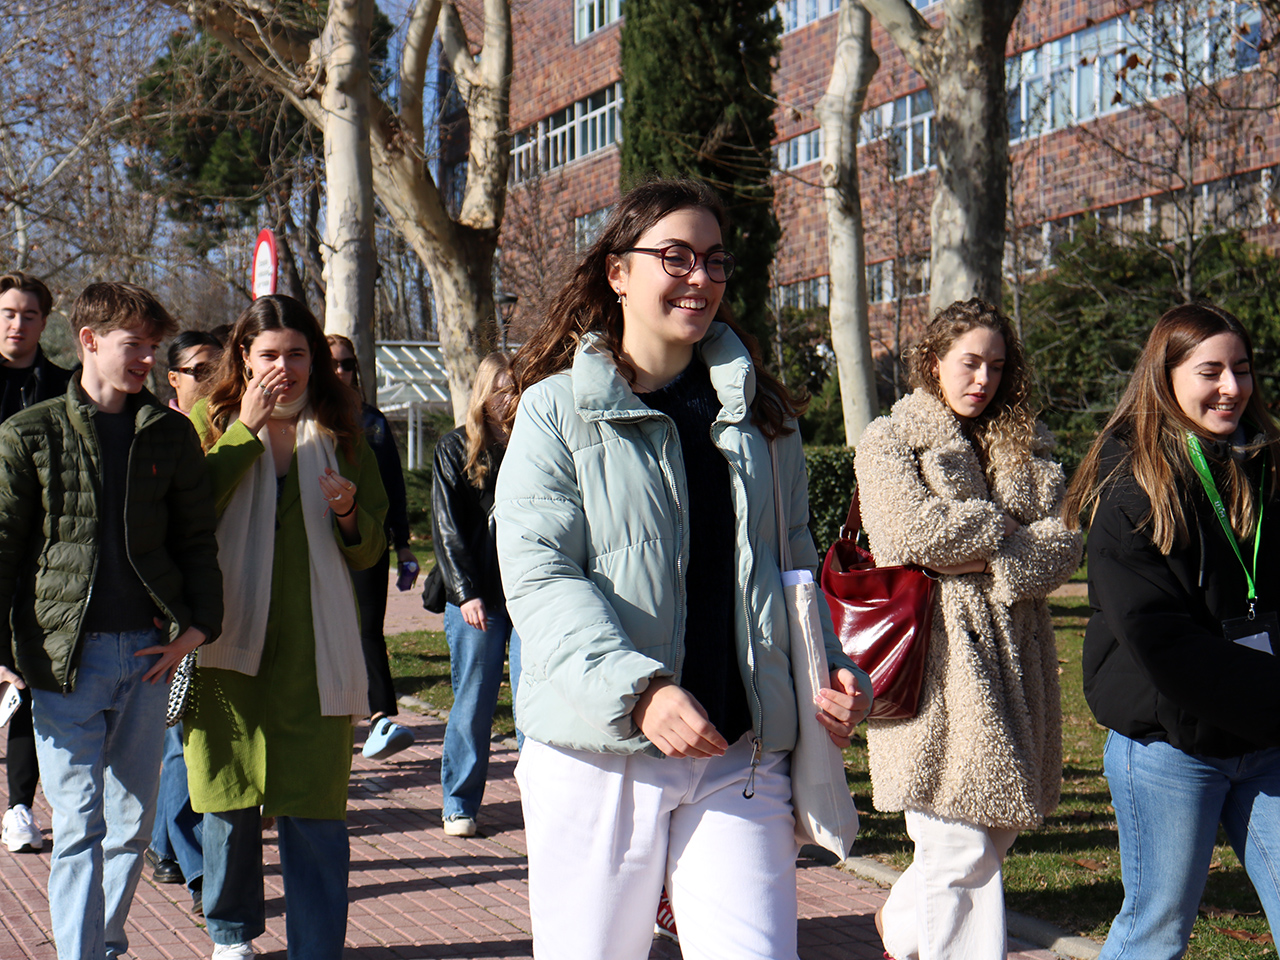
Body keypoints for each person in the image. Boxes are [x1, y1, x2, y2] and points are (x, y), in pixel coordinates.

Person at [494, 178, 872, 960]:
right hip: (601, 753)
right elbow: (539, 576)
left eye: (713, 260)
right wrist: (640, 692)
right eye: (675, 256)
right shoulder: (553, 411)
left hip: (741, 750)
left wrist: (832, 672)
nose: (699, 277)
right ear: (618, 271)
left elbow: (794, 567)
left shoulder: (766, 420)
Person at [0, 281, 223, 960]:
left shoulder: (170, 432)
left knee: (130, 824)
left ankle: (103, 945)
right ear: (89, 340)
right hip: (64, 660)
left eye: (154, 349)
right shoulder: (29, 433)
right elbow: (3, 545)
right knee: (78, 824)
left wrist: (195, 631)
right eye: (135, 346)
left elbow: (195, 543)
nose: (147, 361)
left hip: (151, 655)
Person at [853, 298, 1082, 960]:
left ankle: (899, 927)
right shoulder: (892, 438)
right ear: (933, 362)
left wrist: (984, 549)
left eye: (997, 366)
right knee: (958, 845)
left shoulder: (1026, 442)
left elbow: (1064, 544)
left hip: (1017, 662)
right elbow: (907, 530)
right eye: (970, 363)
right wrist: (1004, 531)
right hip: (938, 661)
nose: (983, 379)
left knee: (996, 830)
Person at [1063, 302, 1280, 957]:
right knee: (1156, 932)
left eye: (1241, 370)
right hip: (1172, 747)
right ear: (1166, 377)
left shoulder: (1262, 466)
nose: (1231, 388)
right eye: (1210, 370)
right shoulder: (1132, 489)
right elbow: (1160, 641)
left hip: (1266, 737)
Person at [184, 294, 388, 960]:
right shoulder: (206, 422)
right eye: (269, 354)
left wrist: (350, 511)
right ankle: (232, 935)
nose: (284, 367)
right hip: (224, 643)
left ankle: (317, 946)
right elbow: (185, 518)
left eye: (296, 353)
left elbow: (370, 548)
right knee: (227, 801)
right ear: (242, 356)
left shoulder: (343, 429)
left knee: (316, 811)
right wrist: (243, 429)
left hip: (313, 647)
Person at [146, 329, 224, 905]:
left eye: (219, 368)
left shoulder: (229, 427)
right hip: (174, 613)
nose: (212, 379)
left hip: (224, 605)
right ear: (172, 378)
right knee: (179, 739)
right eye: (199, 370)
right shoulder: (161, 433)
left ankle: (166, 843)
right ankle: (199, 870)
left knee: (185, 738)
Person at [0, 271, 72, 856]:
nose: (16, 324)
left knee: (22, 673)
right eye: (7, 312)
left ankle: (19, 806)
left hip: (31, 551)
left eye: (27, 314)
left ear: (44, 322)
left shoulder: (62, 386)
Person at [432, 351, 519, 838]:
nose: (510, 400)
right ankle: (459, 802)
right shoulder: (455, 448)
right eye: (502, 390)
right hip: (476, 596)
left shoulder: (534, 441)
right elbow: (448, 530)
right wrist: (466, 592)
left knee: (532, 701)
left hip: (527, 593)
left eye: (516, 389)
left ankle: (542, 797)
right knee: (475, 700)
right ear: (484, 394)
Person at [326, 333, 418, 760]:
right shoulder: (307, 419)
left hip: (368, 540)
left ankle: (381, 719)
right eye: (332, 364)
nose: (340, 371)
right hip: (319, 545)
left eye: (347, 364)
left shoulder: (373, 421)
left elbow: (392, 490)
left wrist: (403, 546)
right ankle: (336, 721)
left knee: (366, 628)